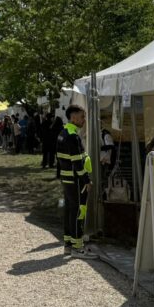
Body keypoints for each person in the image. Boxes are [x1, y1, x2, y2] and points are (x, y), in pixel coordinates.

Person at [57, 105, 94, 259]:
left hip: (67, 178)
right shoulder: (73, 135)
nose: (84, 120)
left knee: (69, 211)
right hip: (76, 180)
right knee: (79, 211)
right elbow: (77, 162)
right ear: (73, 117)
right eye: (82, 117)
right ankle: (78, 248)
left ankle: (68, 245)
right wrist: (87, 180)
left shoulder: (63, 132)